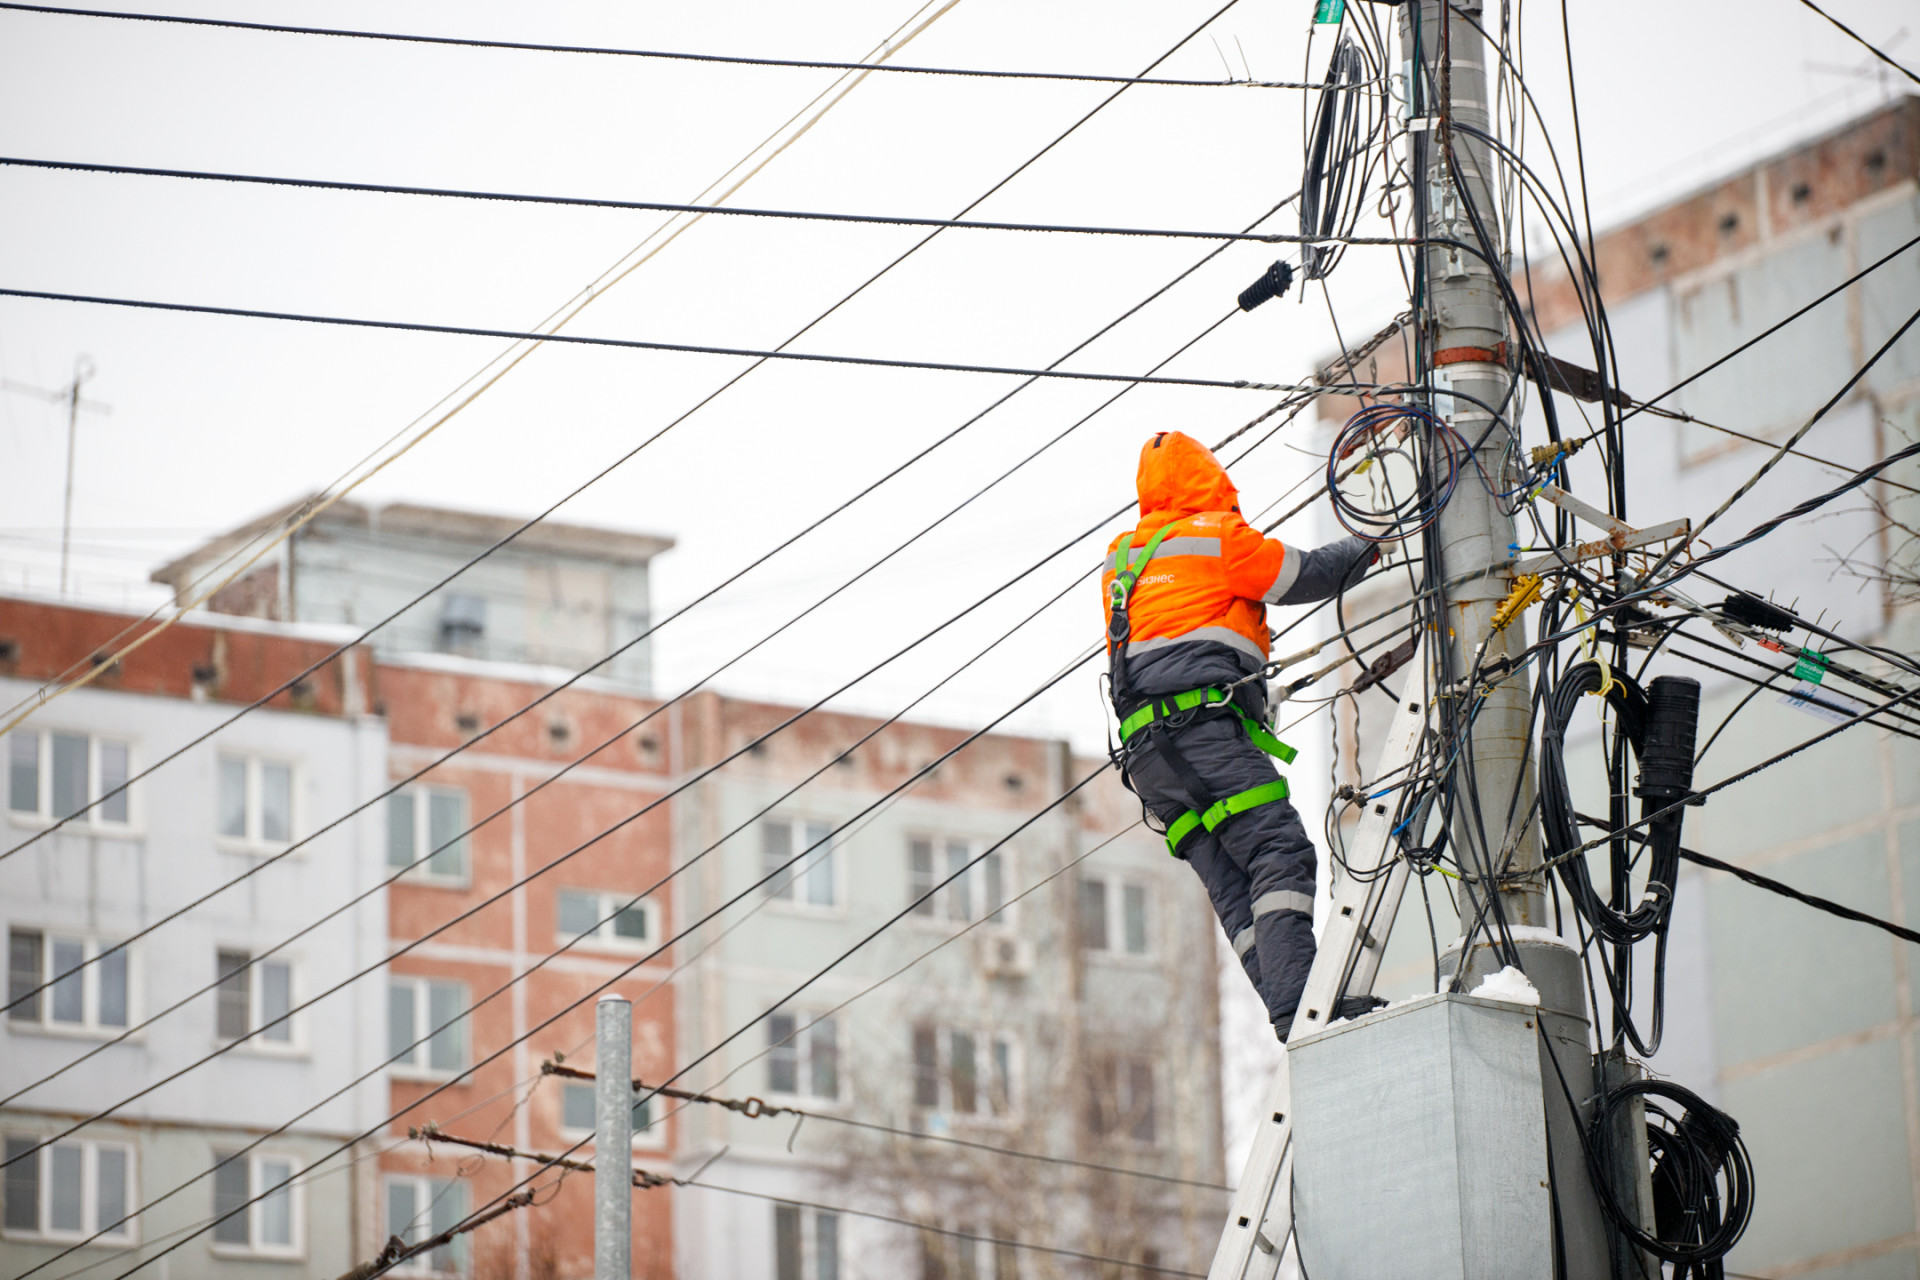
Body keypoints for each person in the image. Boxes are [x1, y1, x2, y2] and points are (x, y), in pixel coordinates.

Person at [1101, 431, 1381, 1041]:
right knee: (1277, 852)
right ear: (1211, 480)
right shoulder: (1216, 538)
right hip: (1204, 736)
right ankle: (1306, 1011)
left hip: (1150, 761)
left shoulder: (1122, 560)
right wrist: (1373, 545)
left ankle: (1292, 1009)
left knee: (1235, 883)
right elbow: (1301, 576)